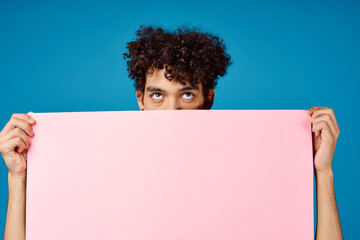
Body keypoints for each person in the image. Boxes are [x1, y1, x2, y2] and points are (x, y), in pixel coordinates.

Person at [0, 25, 343, 240]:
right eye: (158, 94)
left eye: (188, 94)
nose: (172, 111)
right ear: (141, 100)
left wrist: (322, 172)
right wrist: (18, 178)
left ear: (208, 100)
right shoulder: (102, 170)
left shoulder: (245, 172)